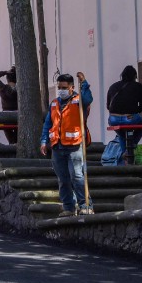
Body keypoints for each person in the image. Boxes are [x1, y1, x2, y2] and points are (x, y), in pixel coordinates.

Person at [40, 72, 94, 216]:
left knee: (77, 176)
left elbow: (88, 98)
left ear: (71, 87)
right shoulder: (54, 103)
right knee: (63, 179)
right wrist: (44, 141)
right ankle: (68, 208)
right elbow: (48, 124)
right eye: (59, 87)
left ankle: (85, 205)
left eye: (64, 87)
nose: (61, 90)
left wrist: (84, 83)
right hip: (57, 146)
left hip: (74, 145)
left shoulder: (79, 100)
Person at [106, 65, 142, 164]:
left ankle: (125, 159)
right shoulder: (138, 86)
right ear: (134, 76)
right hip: (129, 118)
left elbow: (108, 106)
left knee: (122, 135)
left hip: (113, 119)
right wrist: (133, 112)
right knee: (141, 125)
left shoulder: (113, 86)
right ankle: (131, 147)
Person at [0, 66, 18, 143]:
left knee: (10, 139)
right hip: (18, 116)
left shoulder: (3, 88)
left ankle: (11, 145)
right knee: (17, 139)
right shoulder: (21, 89)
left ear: (7, 78)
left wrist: (5, 72)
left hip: (6, 117)